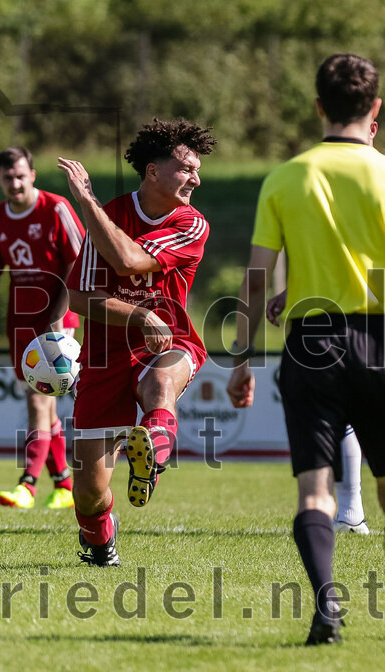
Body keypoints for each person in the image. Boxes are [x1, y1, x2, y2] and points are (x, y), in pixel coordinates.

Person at [226, 53, 385, 645]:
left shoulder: (287, 178)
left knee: (313, 488)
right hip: (380, 338)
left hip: (312, 343)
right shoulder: (384, 175)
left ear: (318, 106)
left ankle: (327, 610)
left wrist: (242, 358)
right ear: (374, 109)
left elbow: (255, 280)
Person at [58, 119, 216, 567]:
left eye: (197, 170)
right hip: (106, 355)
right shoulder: (106, 216)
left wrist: (85, 201)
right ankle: (101, 540)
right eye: (186, 168)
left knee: (160, 385)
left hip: (171, 341)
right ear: (152, 171)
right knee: (88, 492)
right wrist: (137, 313)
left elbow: (129, 261)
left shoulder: (192, 225)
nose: (195, 179)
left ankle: (153, 448)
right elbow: (79, 297)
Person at [0, 147, 85, 510]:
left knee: (39, 400)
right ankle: (65, 485)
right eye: (8, 178)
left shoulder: (57, 209)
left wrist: (57, 315)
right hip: (19, 324)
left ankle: (27, 486)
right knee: (43, 407)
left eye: (21, 175)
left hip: (58, 322)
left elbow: (78, 264)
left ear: (33, 174)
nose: (15, 183)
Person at [267, 290, 370, 536]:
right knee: (343, 416)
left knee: (336, 415)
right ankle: (350, 511)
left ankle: (347, 511)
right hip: (360, 317)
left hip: (344, 318)